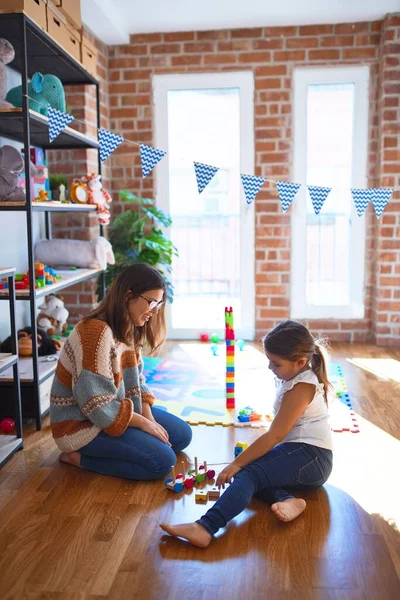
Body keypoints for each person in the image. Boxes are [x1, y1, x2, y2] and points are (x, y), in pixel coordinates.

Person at [160, 320, 333, 547]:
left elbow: (275, 435)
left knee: (247, 474)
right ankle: (288, 500)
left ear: (300, 362)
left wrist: (236, 464)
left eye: (275, 364)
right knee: (254, 475)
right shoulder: (295, 377)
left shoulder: (302, 387)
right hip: (304, 458)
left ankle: (205, 527)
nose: (270, 368)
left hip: (312, 458)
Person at [50, 263, 192, 480]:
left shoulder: (129, 329)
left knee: (182, 435)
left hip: (114, 413)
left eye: (159, 303)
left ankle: (133, 441)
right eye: (151, 302)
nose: (154, 311)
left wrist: (149, 419)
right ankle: (78, 458)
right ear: (128, 296)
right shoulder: (95, 332)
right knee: (162, 461)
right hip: (82, 425)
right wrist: (143, 424)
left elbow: (138, 381)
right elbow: (97, 404)